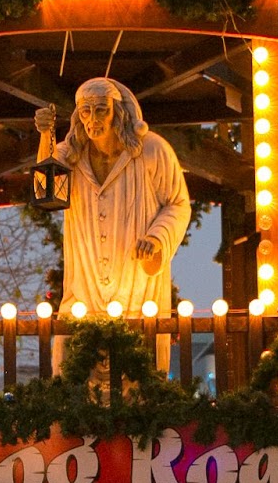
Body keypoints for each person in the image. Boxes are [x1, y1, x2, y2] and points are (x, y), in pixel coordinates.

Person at [34, 78, 190, 366]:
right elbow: (46, 187)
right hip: (84, 291)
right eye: (85, 111)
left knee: (139, 383)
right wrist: (46, 135)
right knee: (73, 378)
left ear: (118, 111)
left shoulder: (152, 150)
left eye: (101, 110)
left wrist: (157, 238)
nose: (92, 120)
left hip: (138, 295)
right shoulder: (73, 155)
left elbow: (178, 204)